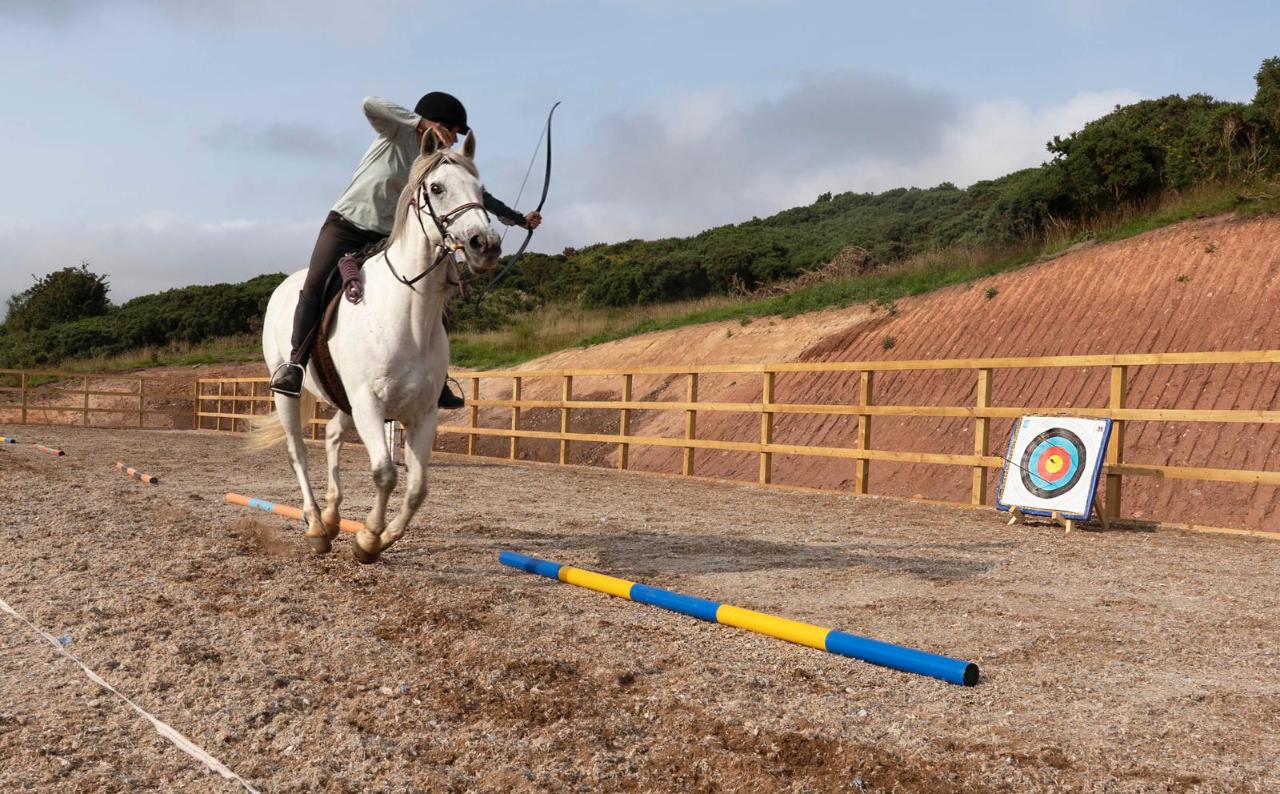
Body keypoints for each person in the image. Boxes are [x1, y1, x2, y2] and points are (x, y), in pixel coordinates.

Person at [269, 92, 542, 406]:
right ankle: (294, 365)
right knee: (315, 285)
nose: (453, 139)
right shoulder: (396, 132)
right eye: (452, 131)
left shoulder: (435, 162)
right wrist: (419, 121)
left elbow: (475, 194)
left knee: (437, 290)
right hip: (346, 225)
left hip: (387, 236)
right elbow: (369, 103)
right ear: (436, 124)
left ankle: (437, 380)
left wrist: (519, 219)